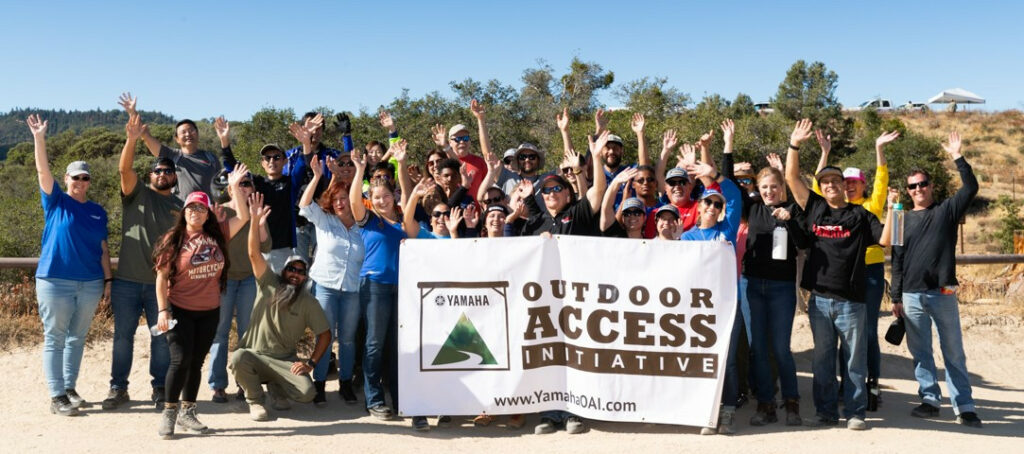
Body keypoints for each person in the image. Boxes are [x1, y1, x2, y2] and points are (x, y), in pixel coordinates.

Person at [784, 119, 892, 431]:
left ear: (845, 185)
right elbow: (791, 177)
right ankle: (826, 413)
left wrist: (896, 211)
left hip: (852, 301)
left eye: (835, 181)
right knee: (822, 361)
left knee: (854, 361)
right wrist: (794, 144)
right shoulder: (815, 207)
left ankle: (856, 413)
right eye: (826, 181)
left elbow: (884, 240)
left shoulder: (860, 215)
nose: (830, 185)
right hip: (819, 301)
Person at [891, 131, 982, 428]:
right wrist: (895, 297)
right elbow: (897, 259)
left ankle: (964, 405)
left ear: (931, 186)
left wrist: (958, 156)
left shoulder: (946, 211)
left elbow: (970, 187)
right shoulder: (901, 218)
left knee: (953, 351)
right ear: (908, 191)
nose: (918, 189)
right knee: (921, 353)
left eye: (922, 184)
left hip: (942, 293)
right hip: (912, 296)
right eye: (912, 186)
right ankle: (929, 399)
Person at [28, 114, 111, 416]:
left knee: (78, 337)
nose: (80, 182)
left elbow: (103, 249)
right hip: (55, 280)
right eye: (75, 177)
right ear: (66, 180)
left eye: (85, 177)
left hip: (90, 282)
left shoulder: (98, 212)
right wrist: (39, 138)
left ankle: (69, 388)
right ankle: (55, 395)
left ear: (90, 181)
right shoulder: (56, 201)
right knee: (55, 337)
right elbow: (41, 170)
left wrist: (108, 282)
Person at [153, 178, 248, 438]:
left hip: (209, 310)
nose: (196, 212)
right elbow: (161, 278)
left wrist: (236, 186)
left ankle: (188, 411)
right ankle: (169, 412)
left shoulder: (218, 235)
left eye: (201, 208)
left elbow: (243, 215)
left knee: (195, 363)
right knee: (180, 360)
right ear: (184, 212)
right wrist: (163, 310)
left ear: (208, 214)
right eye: (191, 208)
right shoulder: (174, 239)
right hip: (179, 308)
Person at [814, 128, 900, 410]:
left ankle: (871, 386)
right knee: (843, 335)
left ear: (863, 185)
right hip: (841, 276)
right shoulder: (832, 208)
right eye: (846, 182)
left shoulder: (869, 206)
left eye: (855, 182)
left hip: (870, 274)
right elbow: (816, 190)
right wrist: (825, 152)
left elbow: (882, 180)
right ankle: (844, 387)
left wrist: (879, 150)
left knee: (866, 333)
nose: (850, 186)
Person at [104, 114, 183, 411]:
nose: (161, 173)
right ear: (150, 175)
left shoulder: (181, 207)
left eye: (167, 170)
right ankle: (118, 388)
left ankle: (160, 388)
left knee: (162, 339)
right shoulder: (137, 194)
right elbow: (124, 168)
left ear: (174, 177)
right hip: (125, 282)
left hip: (160, 286)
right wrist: (132, 138)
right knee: (122, 338)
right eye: (157, 169)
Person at [230, 200, 331, 422]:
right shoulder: (268, 281)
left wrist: (310, 363)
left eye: (301, 271)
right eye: (292, 269)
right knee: (237, 358)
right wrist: (255, 221)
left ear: (306, 277)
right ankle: (255, 401)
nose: (296, 274)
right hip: (254, 355)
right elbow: (253, 253)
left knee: (307, 393)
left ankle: (277, 387)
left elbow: (325, 334)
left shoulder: (308, 302)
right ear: (284, 271)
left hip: (284, 360)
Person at [739, 165, 811, 427]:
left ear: (782, 187)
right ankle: (765, 404)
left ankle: (792, 404)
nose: (769, 191)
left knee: (781, 349)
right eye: (764, 187)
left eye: (774, 186)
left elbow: (803, 244)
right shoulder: (753, 209)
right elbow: (729, 188)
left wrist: (789, 222)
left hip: (781, 287)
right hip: (753, 284)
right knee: (758, 349)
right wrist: (728, 149)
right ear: (758, 189)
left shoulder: (794, 211)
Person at [678, 161, 742, 435]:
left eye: (718, 205)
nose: (713, 208)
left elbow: (736, 196)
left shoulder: (726, 231)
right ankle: (705, 412)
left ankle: (726, 412)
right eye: (709, 204)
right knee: (698, 359)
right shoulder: (687, 238)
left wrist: (714, 176)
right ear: (700, 208)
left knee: (727, 360)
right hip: (695, 309)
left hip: (726, 306)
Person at [298, 156, 365, 407]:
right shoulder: (325, 221)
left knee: (347, 338)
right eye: (335, 199)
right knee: (324, 336)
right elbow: (304, 206)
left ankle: (346, 383)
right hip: (325, 287)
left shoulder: (363, 227)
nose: (339, 203)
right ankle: (320, 384)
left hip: (352, 289)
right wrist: (317, 177)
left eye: (344, 199)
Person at [348, 144, 409, 421]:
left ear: (393, 196)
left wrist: (402, 163)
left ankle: (399, 397)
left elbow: (408, 195)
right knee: (374, 344)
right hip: (374, 287)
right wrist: (360, 170)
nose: (382, 200)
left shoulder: (403, 222)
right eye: (377, 197)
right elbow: (353, 203)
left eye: (386, 195)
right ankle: (373, 400)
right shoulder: (369, 220)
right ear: (371, 199)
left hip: (403, 288)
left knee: (397, 345)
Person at [206, 164, 272, 404]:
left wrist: (259, 221)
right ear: (230, 188)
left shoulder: (257, 211)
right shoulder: (219, 212)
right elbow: (219, 241)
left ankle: (245, 382)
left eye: (248, 184)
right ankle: (217, 385)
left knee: (247, 333)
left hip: (247, 280)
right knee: (220, 333)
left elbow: (265, 246)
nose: (244, 188)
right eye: (239, 184)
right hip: (222, 280)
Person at [119, 93, 220, 201]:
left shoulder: (211, 158)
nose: (188, 134)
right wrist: (132, 112)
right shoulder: (172, 155)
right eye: (183, 132)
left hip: (207, 213)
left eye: (191, 130)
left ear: (198, 134)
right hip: (179, 213)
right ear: (177, 139)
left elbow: (220, 187)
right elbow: (144, 134)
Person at [286, 112, 343, 261]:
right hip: (298, 220)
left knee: (324, 260)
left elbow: (349, 163)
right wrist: (305, 146)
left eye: (319, 128)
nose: (314, 132)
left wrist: (347, 135)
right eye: (311, 127)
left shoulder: (332, 154)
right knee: (299, 265)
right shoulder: (291, 155)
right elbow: (292, 182)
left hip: (325, 217)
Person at [430, 99, 493, 198]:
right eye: (458, 139)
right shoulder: (443, 162)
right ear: (450, 142)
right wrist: (445, 146)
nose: (462, 142)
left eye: (465, 138)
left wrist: (480, 119)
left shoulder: (480, 162)